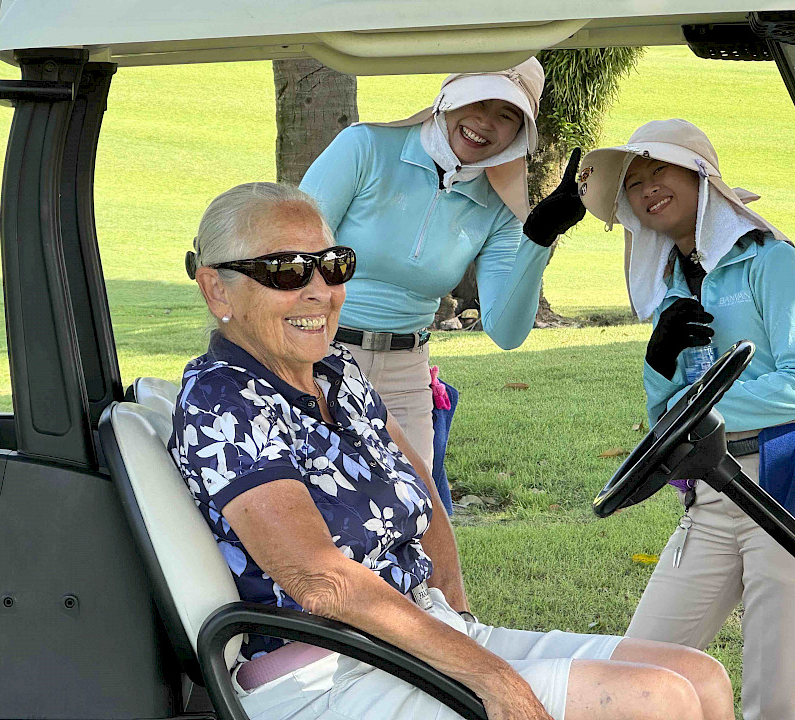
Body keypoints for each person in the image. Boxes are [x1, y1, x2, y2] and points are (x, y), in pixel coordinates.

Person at [172, 181, 733, 720]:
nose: (320, 289)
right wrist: (491, 677)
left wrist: (459, 617)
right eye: (286, 271)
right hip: (326, 675)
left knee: (700, 676)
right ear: (217, 289)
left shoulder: (336, 372)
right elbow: (323, 581)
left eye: (332, 265)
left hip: (413, 635)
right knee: (658, 700)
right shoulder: (222, 403)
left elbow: (424, 495)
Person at [577, 119, 795, 720]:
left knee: (779, 697)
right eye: (634, 183)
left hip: (782, 487)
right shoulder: (671, 291)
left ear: (702, 177)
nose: (647, 188)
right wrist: (659, 365)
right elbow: (664, 421)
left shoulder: (772, 262)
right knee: (636, 675)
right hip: (713, 491)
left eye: (660, 170)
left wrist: (700, 406)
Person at [299, 58, 586, 473]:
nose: (485, 122)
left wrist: (539, 239)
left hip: (405, 375)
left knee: (414, 504)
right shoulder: (364, 146)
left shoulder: (499, 208)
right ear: (449, 99)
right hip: (316, 354)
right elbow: (293, 254)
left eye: (506, 115)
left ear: (519, 134)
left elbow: (506, 332)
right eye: (478, 101)